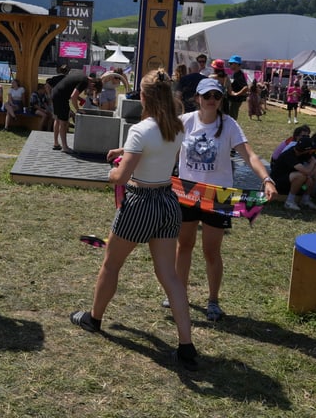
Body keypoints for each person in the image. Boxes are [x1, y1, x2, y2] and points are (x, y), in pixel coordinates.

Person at [69, 69, 199, 371]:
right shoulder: (177, 127)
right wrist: (125, 151)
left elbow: (122, 175)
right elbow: (154, 154)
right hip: (168, 201)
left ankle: (94, 318)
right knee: (169, 276)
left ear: (145, 97)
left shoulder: (141, 130)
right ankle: (186, 345)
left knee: (111, 264)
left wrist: (112, 171)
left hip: (139, 203)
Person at [172, 77, 278, 321]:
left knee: (211, 251)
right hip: (187, 192)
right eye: (206, 96)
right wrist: (127, 152)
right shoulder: (185, 121)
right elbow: (157, 142)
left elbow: (249, 155)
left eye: (216, 96)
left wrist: (266, 179)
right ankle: (179, 293)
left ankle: (213, 300)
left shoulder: (228, 125)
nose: (211, 100)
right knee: (183, 245)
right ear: (197, 98)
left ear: (221, 99)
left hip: (218, 195)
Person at [271, 135, 316, 211]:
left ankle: (305, 200)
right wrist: (313, 163)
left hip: (292, 181)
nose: (311, 152)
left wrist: (312, 171)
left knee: (310, 179)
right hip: (278, 183)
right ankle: (289, 201)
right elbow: (307, 170)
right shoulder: (289, 155)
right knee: (301, 176)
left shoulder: (303, 154)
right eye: (311, 150)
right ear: (305, 150)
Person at [51, 68, 89, 152]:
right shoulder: (85, 82)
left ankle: (56, 143)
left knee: (57, 120)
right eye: (92, 89)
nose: (88, 91)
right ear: (92, 84)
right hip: (61, 98)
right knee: (63, 122)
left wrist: (79, 99)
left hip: (55, 93)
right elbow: (73, 96)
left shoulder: (80, 75)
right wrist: (77, 109)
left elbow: (68, 88)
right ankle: (65, 147)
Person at [225, 55, 249, 120]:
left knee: (231, 118)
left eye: (231, 63)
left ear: (236, 64)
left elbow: (246, 87)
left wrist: (236, 94)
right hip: (233, 99)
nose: (229, 65)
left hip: (235, 100)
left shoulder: (239, 74)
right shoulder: (236, 73)